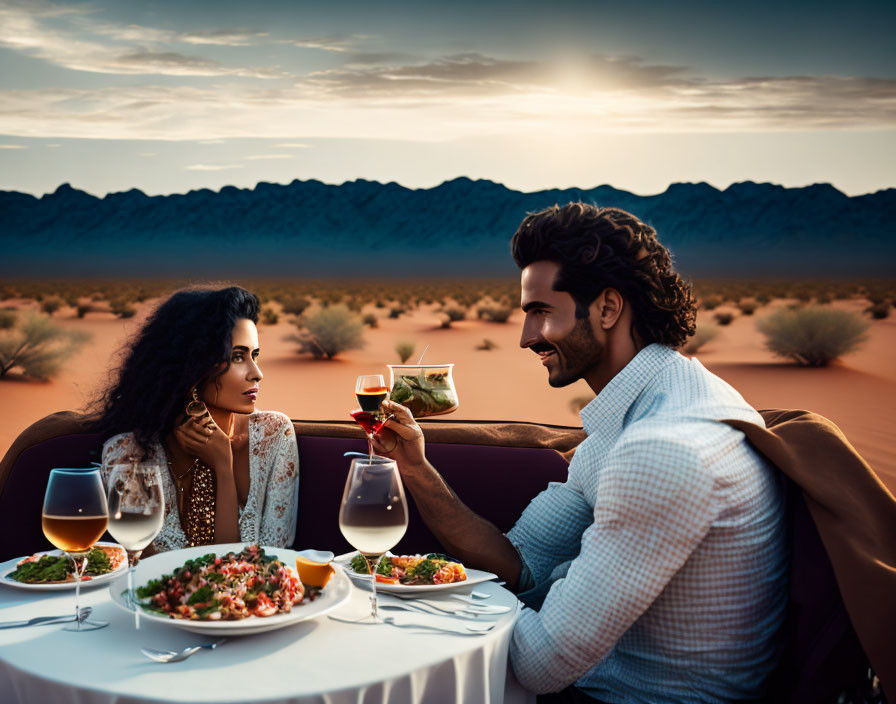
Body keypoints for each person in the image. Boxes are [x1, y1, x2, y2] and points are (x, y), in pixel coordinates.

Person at [372, 203, 788, 702]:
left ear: (607, 309)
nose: (526, 338)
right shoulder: (642, 413)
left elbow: (539, 664)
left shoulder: (660, 451)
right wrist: (415, 469)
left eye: (541, 312)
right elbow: (520, 562)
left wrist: (438, 598)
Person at [92, 286, 298, 553]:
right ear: (191, 366)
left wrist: (224, 467)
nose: (256, 373)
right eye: (237, 357)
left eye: (254, 355)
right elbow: (145, 573)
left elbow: (260, 567)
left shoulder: (274, 435)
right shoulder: (127, 455)